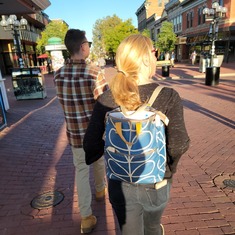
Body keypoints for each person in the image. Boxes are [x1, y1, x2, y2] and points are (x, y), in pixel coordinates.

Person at [83, 34, 190, 235]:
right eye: (154, 52)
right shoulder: (168, 96)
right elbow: (179, 144)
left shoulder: (107, 98)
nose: (156, 56)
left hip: (120, 183)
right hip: (156, 182)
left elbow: (90, 145)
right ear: (144, 59)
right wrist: (168, 169)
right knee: (152, 226)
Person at [54, 29, 109, 234]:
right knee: (98, 160)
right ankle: (100, 191)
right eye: (88, 44)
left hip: (74, 134)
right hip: (94, 132)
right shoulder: (94, 73)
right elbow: (106, 104)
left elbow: (63, 102)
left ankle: (86, 217)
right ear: (83, 46)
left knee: (81, 171)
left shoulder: (58, 75)